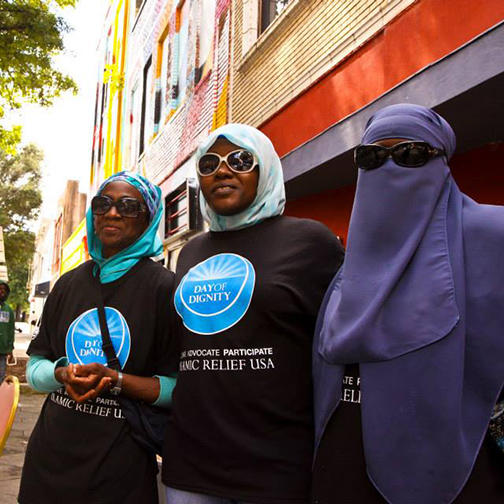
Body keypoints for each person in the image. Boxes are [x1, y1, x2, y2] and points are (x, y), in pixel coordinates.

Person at [312, 104, 504, 504]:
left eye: (410, 155)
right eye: (372, 156)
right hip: (343, 464)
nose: (390, 168)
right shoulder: (351, 264)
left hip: (451, 469)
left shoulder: (491, 236)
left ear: (442, 162)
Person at [162, 124, 344, 504]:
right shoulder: (190, 253)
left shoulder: (311, 241)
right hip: (191, 465)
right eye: (209, 163)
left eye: (241, 160)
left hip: (276, 466)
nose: (223, 171)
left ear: (265, 170)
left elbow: (339, 348)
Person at [19, 172, 177, 504]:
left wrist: (116, 380)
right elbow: (35, 368)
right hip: (49, 462)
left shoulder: (164, 288)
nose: (113, 213)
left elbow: (177, 388)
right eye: (103, 203)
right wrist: (62, 374)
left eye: (129, 206)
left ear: (148, 218)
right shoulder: (67, 284)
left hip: (120, 470)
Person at [0, 280, 14, 383]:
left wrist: (10, 349)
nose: (1, 291)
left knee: (1, 376)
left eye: (4, 289)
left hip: (2, 350)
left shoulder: (8, 310)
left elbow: (10, 330)